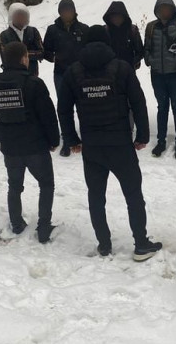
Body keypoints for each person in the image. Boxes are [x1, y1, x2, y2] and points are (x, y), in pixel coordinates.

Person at [58, 25, 162, 261]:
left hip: (92, 147)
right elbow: (138, 102)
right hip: (120, 145)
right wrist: (143, 136)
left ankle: (104, 245)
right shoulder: (121, 68)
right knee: (133, 195)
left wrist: (72, 139)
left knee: (96, 196)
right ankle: (141, 244)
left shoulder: (73, 72)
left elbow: (63, 109)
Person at [0, 42, 60, 243]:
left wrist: (0, 135)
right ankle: (43, 227)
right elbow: (48, 116)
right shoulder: (34, 83)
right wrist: (54, 140)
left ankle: (16, 223)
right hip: (36, 147)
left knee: (14, 186)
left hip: (11, 149)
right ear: (24, 58)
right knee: (46, 184)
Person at [143, 0, 176, 159]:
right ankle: (161, 141)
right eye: (161, 8)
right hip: (157, 75)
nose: (164, 11)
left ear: (173, 9)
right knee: (162, 108)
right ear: (156, 10)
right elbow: (146, 49)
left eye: (167, 8)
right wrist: (150, 60)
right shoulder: (151, 27)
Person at [43, 0, 90, 157]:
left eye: (69, 10)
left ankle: (86, 138)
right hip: (61, 73)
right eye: (63, 11)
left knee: (83, 106)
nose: (66, 14)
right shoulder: (52, 30)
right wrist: (55, 57)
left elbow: (89, 50)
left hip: (80, 74)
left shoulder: (84, 29)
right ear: (60, 12)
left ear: (74, 11)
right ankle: (67, 140)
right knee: (64, 108)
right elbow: (46, 51)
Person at [0, 2, 44, 76]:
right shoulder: (4, 35)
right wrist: (25, 55)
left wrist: (23, 55)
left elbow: (41, 53)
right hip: (13, 76)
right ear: (11, 17)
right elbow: (5, 58)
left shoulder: (33, 31)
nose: (21, 18)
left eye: (23, 15)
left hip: (32, 73)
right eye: (17, 16)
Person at [102, 1, 144, 70]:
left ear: (124, 17)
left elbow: (140, 51)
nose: (116, 19)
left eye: (119, 16)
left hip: (128, 70)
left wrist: (132, 62)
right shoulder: (105, 31)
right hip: (109, 71)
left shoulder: (132, 31)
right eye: (113, 17)